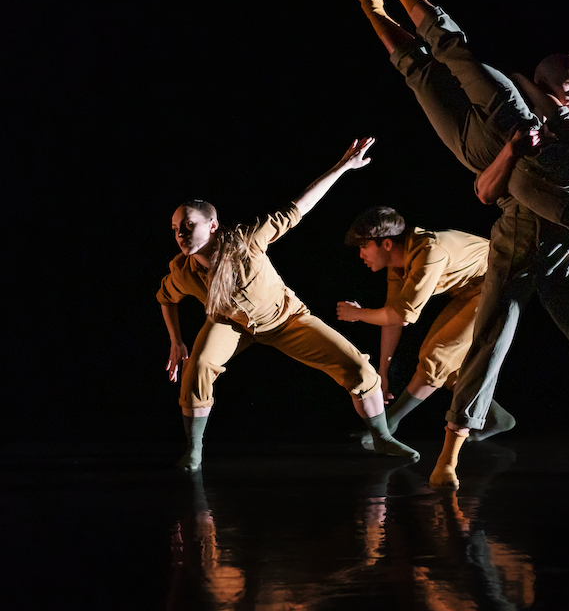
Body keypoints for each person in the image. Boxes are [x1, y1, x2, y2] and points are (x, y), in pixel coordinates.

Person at [346, 0, 569, 487]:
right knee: (434, 62)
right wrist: (522, 148)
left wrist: (550, 162)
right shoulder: (554, 129)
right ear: (544, 83)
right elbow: (493, 185)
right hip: (502, 172)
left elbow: (503, 192)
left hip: (526, 214)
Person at [157, 137, 420, 471]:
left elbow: (299, 207)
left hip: (286, 320)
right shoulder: (183, 272)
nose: (181, 234)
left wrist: (343, 167)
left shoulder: (248, 241)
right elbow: (165, 298)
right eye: (175, 229)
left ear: (212, 225)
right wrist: (176, 340)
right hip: (230, 324)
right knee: (197, 368)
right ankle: (194, 451)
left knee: (358, 368)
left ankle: (382, 437)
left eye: (188, 225)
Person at [336, 205, 515, 445]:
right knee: (446, 365)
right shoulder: (397, 265)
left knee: (436, 357)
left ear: (386, 244)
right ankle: (497, 418)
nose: (361, 255)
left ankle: (389, 424)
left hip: (499, 284)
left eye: (364, 246)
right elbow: (392, 318)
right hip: (471, 290)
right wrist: (383, 372)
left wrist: (358, 314)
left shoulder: (430, 252)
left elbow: (402, 316)